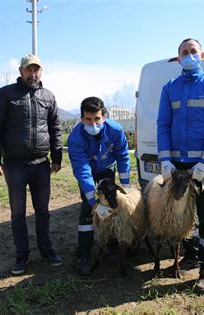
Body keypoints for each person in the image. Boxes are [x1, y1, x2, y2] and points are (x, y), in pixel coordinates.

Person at [157, 38, 204, 294]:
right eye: (184, 53)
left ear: (202, 55)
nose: (189, 56)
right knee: (181, 216)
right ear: (178, 59)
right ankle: (190, 256)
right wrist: (165, 160)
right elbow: (163, 125)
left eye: (193, 51)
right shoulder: (169, 88)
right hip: (178, 166)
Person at [0, 54, 63, 275]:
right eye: (29, 69)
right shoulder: (6, 94)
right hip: (15, 165)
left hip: (41, 165)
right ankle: (22, 256)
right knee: (18, 213)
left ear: (41, 72)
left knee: (43, 211)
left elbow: (55, 129)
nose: (33, 73)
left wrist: (57, 158)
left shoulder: (48, 96)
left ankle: (46, 250)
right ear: (21, 71)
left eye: (37, 69)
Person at [67, 96, 131, 276]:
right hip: (88, 173)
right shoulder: (75, 138)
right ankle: (83, 254)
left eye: (96, 119)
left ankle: (111, 246)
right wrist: (93, 199)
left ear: (103, 116)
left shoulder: (115, 130)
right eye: (88, 119)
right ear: (82, 119)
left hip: (106, 170)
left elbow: (123, 156)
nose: (93, 123)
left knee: (112, 206)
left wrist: (126, 185)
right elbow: (82, 170)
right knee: (88, 210)